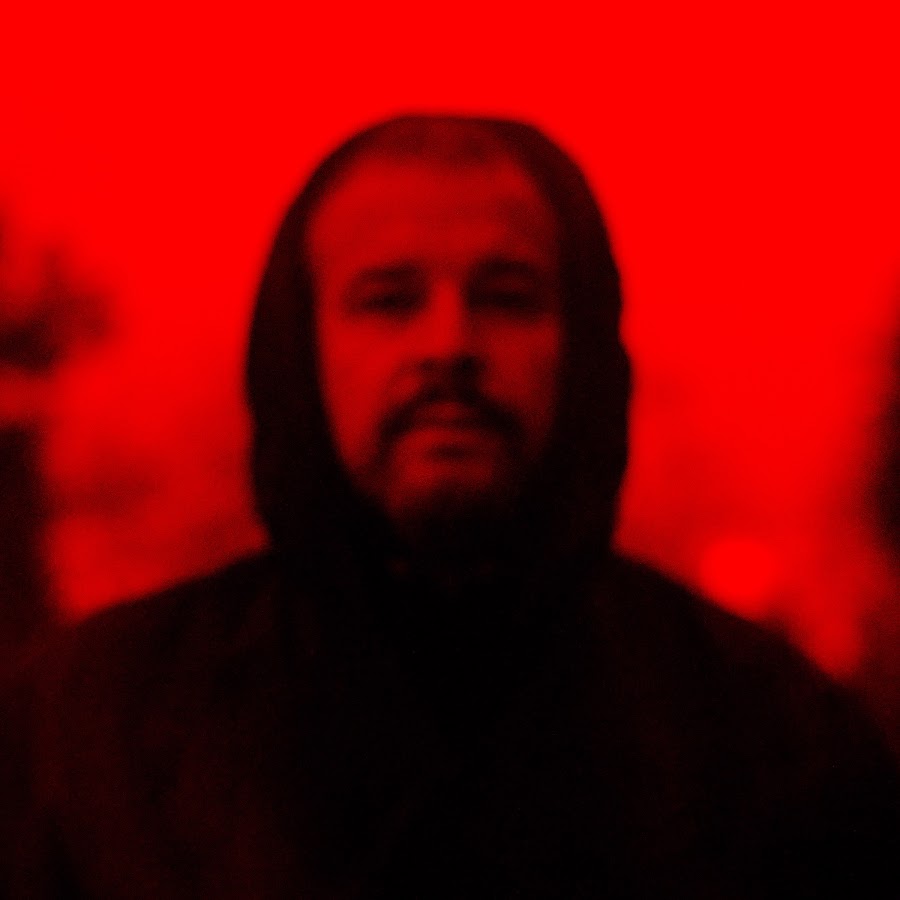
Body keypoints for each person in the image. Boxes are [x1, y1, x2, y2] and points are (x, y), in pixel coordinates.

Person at [1, 115, 898, 898]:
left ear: (581, 345)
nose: (450, 343)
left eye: (507, 299)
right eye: (388, 301)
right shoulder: (91, 734)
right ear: (300, 350)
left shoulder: (769, 736)